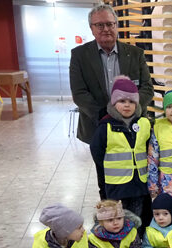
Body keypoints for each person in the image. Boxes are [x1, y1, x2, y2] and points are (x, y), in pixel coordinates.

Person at [70, 4, 153, 145]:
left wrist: (130, 111)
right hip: (96, 126)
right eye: (100, 25)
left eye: (110, 24)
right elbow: (79, 93)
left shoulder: (135, 54)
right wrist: (104, 115)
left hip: (133, 125)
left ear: (116, 25)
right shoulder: (79, 55)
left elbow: (147, 88)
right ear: (92, 28)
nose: (106, 29)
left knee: (135, 165)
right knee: (104, 166)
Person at [89, 75, 151, 230]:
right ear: (114, 102)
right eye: (122, 101)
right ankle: (120, 246)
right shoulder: (106, 126)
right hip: (117, 185)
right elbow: (97, 151)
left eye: (131, 102)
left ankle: (135, 244)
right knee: (118, 218)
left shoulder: (144, 123)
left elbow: (149, 147)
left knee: (137, 218)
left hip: (139, 183)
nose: (127, 105)